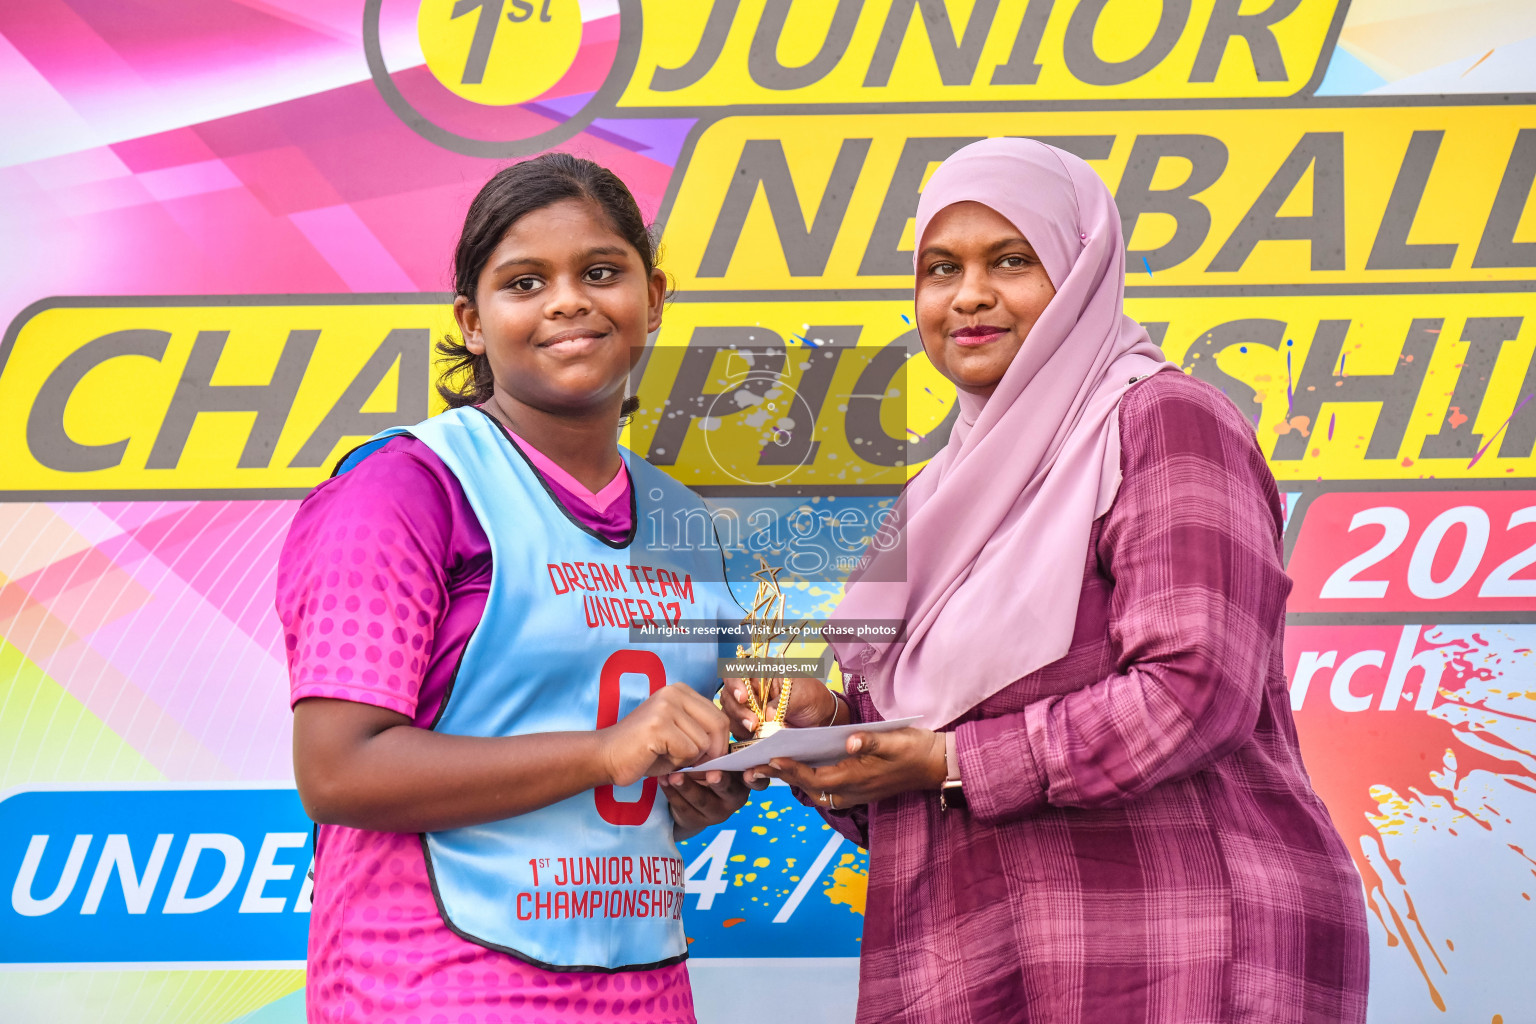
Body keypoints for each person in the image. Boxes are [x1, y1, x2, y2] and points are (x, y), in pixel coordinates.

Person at [726, 138, 1370, 1023]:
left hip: (1175, 951)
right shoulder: (932, 504)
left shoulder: (1161, 421)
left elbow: (1194, 690)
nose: (969, 296)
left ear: (1081, 271)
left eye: (1013, 261)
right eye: (940, 268)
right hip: (971, 963)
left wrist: (951, 761)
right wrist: (828, 735)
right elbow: (914, 793)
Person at [278, 153, 749, 1024]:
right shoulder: (403, 489)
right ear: (470, 321)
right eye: (525, 282)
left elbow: (649, 769)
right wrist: (606, 751)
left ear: (654, 297)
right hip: (433, 980)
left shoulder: (687, 521)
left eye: (601, 273)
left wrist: (699, 786)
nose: (568, 301)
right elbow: (338, 770)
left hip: (640, 980)